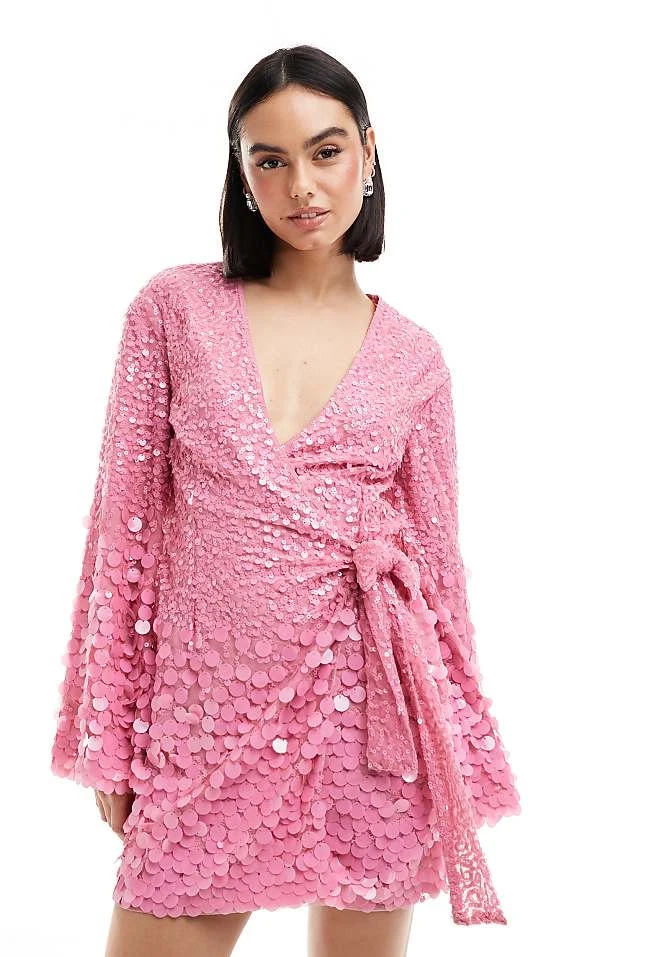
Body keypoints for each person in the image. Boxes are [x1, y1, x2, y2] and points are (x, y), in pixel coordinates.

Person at [50, 44, 521, 957]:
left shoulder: (416, 358)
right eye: (269, 159)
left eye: (325, 151)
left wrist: (459, 745)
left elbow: (437, 570)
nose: (301, 185)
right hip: (206, 724)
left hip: (373, 723)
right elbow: (121, 534)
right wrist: (109, 731)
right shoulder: (173, 310)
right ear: (241, 172)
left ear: (369, 151)